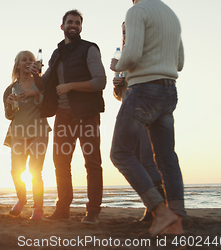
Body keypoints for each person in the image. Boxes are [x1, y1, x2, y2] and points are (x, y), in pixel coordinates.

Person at [110, 0, 185, 236]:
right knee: (166, 158)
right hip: (169, 90)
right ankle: (177, 221)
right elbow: (179, 62)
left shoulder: (137, 11)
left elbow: (130, 56)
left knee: (120, 153)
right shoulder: (171, 15)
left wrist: (118, 65)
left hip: (144, 90)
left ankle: (160, 212)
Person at [35, 10, 106, 224]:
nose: (73, 25)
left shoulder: (89, 49)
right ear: (62, 26)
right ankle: (63, 209)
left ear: (81, 28)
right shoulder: (57, 53)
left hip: (86, 114)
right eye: (70, 22)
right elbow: (45, 84)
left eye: (77, 22)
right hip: (63, 115)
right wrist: (34, 74)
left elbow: (100, 81)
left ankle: (92, 211)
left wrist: (70, 86)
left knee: (92, 163)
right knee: (60, 162)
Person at [113, 22, 165, 222]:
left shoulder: (144, 50)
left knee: (147, 160)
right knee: (134, 160)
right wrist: (117, 86)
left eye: (130, 29)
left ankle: (158, 209)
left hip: (144, 110)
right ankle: (151, 206)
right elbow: (121, 93)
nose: (126, 33)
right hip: (129, 111)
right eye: (123, 31)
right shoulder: (125, 55)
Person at [3, 51, 51, 220]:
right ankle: (22, 199)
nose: (27, 62)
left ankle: (38, 208)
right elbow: (9, 115)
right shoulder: (10, 89)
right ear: (17, 64)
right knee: (16, 171)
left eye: (30, 59)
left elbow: (49, 106)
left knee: (35, 171)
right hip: (18, 133)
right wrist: (9, 105)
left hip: (39, 131)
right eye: (24, 60)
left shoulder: (40, 84)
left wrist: (35, 94)